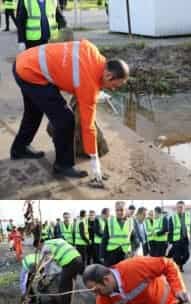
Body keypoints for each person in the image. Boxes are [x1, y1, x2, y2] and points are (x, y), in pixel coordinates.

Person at [11, 40, 129, 182]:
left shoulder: (92, 50)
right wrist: (94, 162)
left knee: (34, 111)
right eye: (114, 85)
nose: (113, 89)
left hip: (24, 61)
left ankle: (19, 149)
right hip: (30, 73)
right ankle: (63, 165)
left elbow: (73, 68)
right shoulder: (89, 85)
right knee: (65, 120)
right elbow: (88, 126)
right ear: (109, 76)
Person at [38, 238, 84, 304]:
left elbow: (44, 262)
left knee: (63, 287)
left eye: (38, 247)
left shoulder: (46, 245)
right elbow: (52, 260)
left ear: (40, 243)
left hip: (70, 261)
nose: (39, 249)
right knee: (67, 286)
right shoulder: (55, 242)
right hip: (77, 258)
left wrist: (43, 273)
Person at [102, 201, 134, 266]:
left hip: (125, 254)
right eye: (117, 210)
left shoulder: (131, 221)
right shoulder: (110, 221)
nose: (119, 212)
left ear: (125, 210)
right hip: (111, 254)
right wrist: (102, 256)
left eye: (121, 210)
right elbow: (104, 239)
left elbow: (134, 238)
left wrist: (132, 251)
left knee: (124, 274)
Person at [168, 201, 191, 272]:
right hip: (176, 240)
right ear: (176, 208)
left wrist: (189, 237)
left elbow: (189, 226)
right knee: (177, 256)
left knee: (187, 255)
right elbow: (170, 230)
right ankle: (178, 266)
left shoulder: (188, 216)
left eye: (181, 207)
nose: (179, 208)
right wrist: (170, 240)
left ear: (184, 207)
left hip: (185, 239)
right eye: (178, 207)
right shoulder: (172, 217)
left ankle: (180, 264)